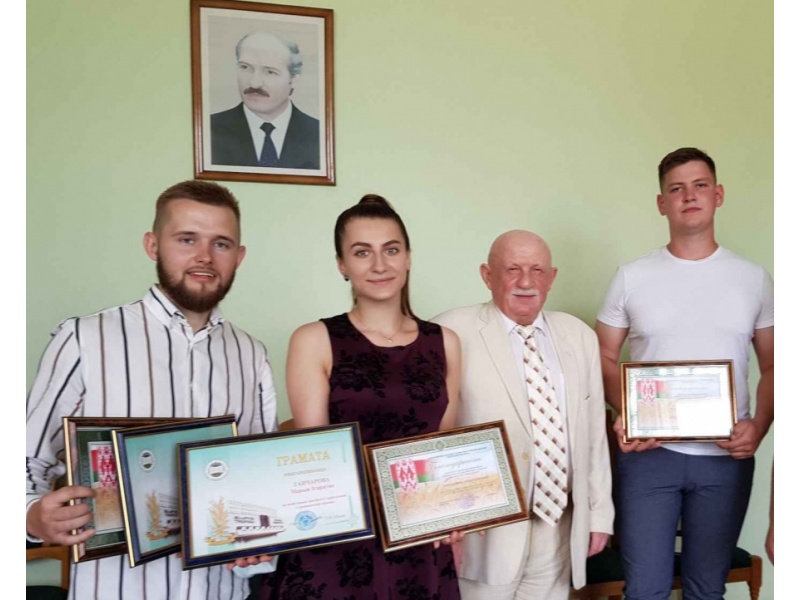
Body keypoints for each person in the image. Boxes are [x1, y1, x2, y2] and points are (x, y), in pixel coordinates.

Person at [26, 180, 278, 600]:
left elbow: (260, 478)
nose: (204, 256)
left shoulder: (251, 355)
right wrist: (32, 518)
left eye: (221, 243)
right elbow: (23, 461)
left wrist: (262, 542)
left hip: (220, 591)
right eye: (187, 239)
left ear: (239, 256)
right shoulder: (86, 339)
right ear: (152, 245)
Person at [258, 194, 462, 600]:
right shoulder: (314, 339)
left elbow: (441, 449)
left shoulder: (445, 341)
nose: (380, 265)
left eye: (391, 250)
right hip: (338, 536)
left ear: (408, 257)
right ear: (342, 265)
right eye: (362, 252)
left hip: (418, 535)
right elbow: (315, 461)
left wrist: (456, 507)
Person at [595, 147, 774, 599]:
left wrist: (759, 426)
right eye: (676, 189)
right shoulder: (632, 276)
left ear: (718, 195)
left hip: (725, 459)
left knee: (706, 590)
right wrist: (627, 412)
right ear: (662, 203)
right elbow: (603, 354)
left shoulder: (753, 279)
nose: (689, 196)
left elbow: (775, 365)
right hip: (649, 456)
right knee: (644, 591)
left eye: (699, 186)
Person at [433, 230, 614, 600]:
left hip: (558, 529)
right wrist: (441, 521)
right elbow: (431, 433)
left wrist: (599, 515)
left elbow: (594, 434)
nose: (526, 282)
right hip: (483, 534)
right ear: (487, 275)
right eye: (512, 269)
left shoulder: (579, 336)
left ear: (552, 277)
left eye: (537, 270)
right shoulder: (448, 331)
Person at [210, 32, 320, 170]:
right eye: (245, 67)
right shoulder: (210, 129)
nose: (254, 83)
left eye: (270, 72)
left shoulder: (319, 134)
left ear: (293, 80)